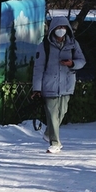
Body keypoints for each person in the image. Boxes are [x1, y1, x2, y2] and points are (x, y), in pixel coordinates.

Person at [32, 16, 85, 153]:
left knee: (62, 113)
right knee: (52, 114)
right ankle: (55, 143)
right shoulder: (44, 46)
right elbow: (38, 68)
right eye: (58, 28)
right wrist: (37, 88)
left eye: (63, 27)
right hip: (49, 85)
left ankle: (49, 132)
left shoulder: (73, 44)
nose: (61, 30)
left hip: (67, 85)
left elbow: (82, 60)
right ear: (52, 29)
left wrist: (72, 64)